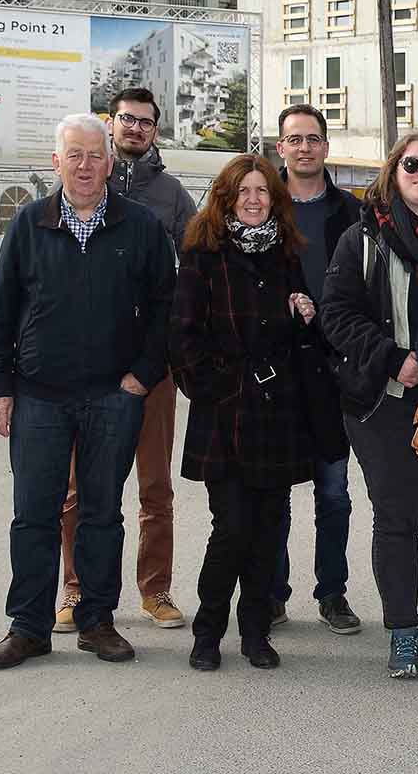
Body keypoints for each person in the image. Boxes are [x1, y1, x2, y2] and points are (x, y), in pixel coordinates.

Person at [0, 113, 176, 670]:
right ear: (55, 161)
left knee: (101, 514)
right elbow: (1, 309)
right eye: (75, 155)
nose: (85, 166)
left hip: (114, 396)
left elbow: (167, 306)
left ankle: (96, 622)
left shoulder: (139, 226)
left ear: (110, 163)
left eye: (95, 156)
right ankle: (28, 627)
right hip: (38, 395)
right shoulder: (28, 224)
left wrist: (142, 374)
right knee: (33, 514)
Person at [320, 131, 418, 680]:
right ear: (395, 169)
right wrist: (392, 358)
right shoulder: (363, 238)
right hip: (387, 399)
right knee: (397, 517)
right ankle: (402, 631)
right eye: (412, 163)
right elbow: (335, 315)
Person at [52, 88, 196, 634]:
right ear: (111, 126)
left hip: (151, 365)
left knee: (154, 486)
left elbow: (197, 266)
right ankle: (75, 591)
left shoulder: (171, 195)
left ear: (155, 132)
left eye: (146, 123)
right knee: (76, 491)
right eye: (127, 120)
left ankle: (155, 590)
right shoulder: (76, 189)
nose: (135, 129)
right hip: (83, 371)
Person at [170, 156, 321, 671]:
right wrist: (217, 387)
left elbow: (303, 337)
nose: (254, 199)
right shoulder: (202, 254)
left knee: (269, 527)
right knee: (232, 527)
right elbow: (183, 337)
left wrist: (305, 317)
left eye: (262, 191)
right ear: (225, 198)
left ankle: (256, 632)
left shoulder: (286, 254)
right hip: (225, 414)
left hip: (278, 415)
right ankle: (207, 631)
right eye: (244, 191)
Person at [270, 104, 364, 634]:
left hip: (334, 367)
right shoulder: (259, 203)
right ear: (279, 147)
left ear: (325, 147)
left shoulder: (351, 212)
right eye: (293, 139)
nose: (304, 147)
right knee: (278, 487)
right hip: (277, 368)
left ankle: (332, 593)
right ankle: (273, 592)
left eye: (313, 139)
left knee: (333, 490)